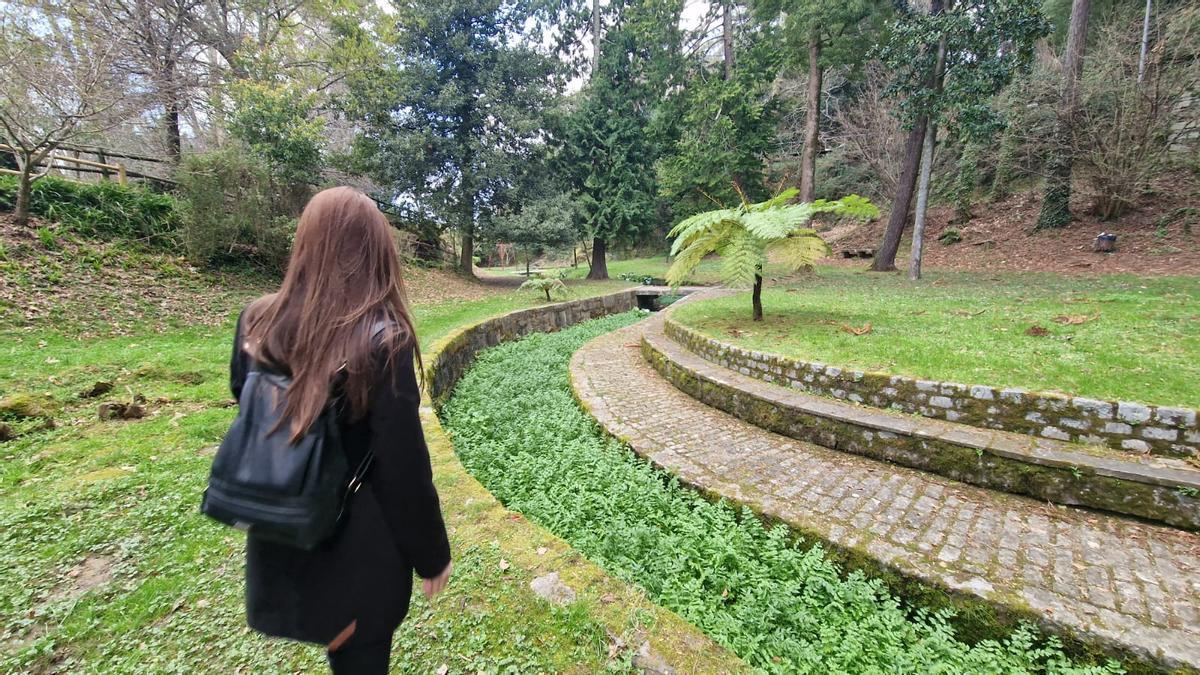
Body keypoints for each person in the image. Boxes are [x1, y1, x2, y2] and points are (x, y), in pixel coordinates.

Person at [228, 187, 452, 674]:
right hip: (356, 555)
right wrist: (432, 556)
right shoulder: (383, 338)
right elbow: (402, 470)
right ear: (378, 250)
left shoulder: (257, 320)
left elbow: (242, 395)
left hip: (283, 534)